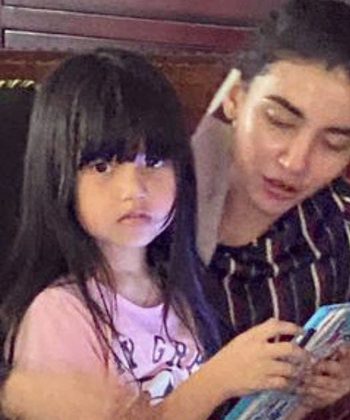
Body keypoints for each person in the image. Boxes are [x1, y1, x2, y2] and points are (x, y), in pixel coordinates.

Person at [0, 48, 327, 419]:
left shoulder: (179, 293)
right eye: (103, 166)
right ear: (58, 176)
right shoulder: (58, 312)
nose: (134, 189)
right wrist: (216, 381)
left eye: (154, 162)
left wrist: (298, 396)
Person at [192, 0, 350, 412]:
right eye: (279, 121)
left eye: (334, 143)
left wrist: (338, 383)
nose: (295, 162)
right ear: (236, 99)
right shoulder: (147, 212)